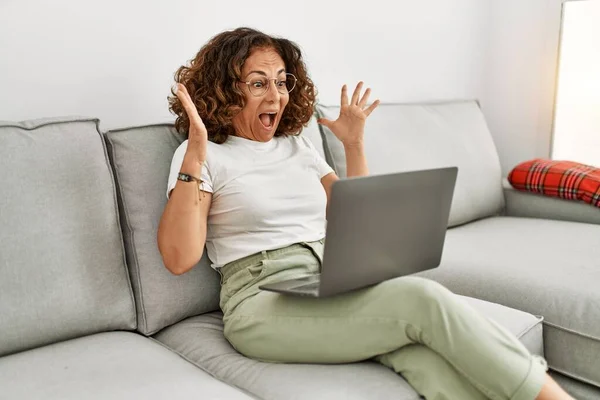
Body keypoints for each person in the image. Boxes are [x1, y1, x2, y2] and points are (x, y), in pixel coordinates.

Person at [157, 27, 572, 400]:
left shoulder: (296, 146)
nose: (276, 97)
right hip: (259, 301)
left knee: (419, 355)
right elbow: (180, 257)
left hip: (325, 280)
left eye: (282, 83)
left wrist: (354, 145)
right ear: (225, 90)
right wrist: (196, 154)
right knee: (422, 298)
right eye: (258, 83)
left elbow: (357, 220)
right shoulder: (202, 155)